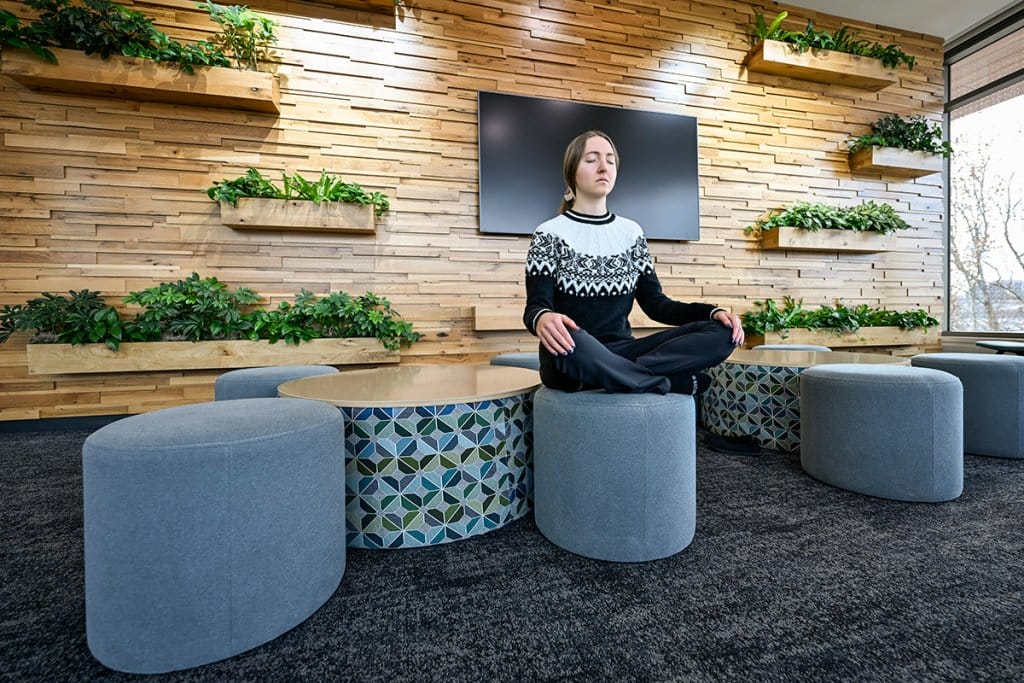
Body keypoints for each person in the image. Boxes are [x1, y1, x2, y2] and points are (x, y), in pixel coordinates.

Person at [522, 130, 743, 395]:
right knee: (572, 339)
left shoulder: (631, 233)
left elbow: (657, 305)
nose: (604, 167)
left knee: (721, 333)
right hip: (573, 351)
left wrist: (711, 312)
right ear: (572, 174)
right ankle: (666, 381)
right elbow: (535, 308)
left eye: (610, 160)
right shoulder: (550, 233)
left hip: (624, 350)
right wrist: (543, 318)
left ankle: (623, 375)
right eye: (591, 160)